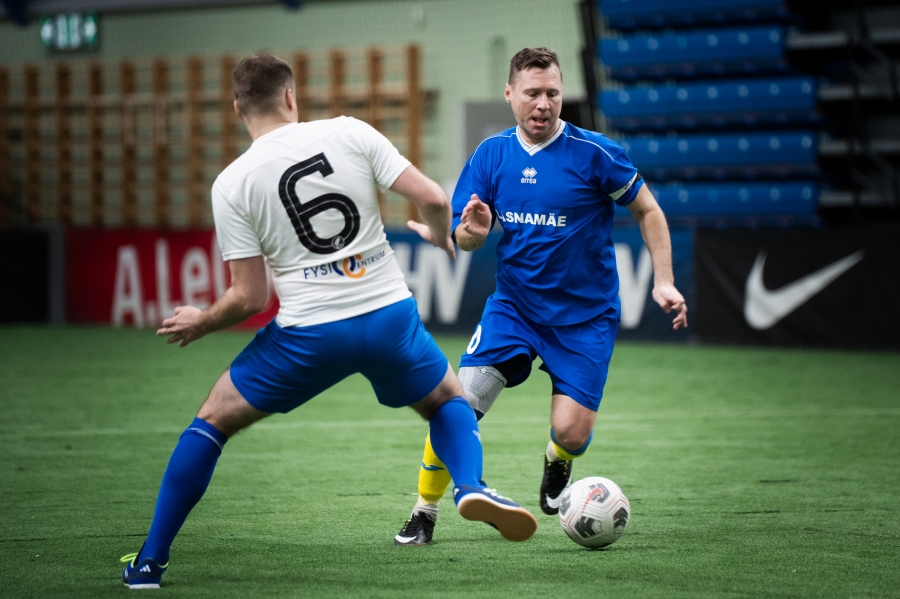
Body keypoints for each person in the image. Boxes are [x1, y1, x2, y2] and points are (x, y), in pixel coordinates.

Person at [120, 54, 537, 589]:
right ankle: (470, 485)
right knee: (446, 401)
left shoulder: (232, 182)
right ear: (291, 96)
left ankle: (150, 563)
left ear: (237, 109)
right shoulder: (348, 132)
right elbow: (434, 197)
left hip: (310, 334)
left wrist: (201, 322)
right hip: (388, 317)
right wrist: (440, 234)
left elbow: (250, 297)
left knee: (212, 421)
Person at [394, 47, 688, 546]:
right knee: (459, 404)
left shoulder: (596, 153)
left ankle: (558, 461)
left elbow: (649, 210)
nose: (543, 104)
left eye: (552, 93)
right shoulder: (491, 155)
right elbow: (466, 237)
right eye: (532, 93)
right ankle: (424, 512)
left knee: (572, 433)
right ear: (510, 94)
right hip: (513, 308)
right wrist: (471, 233)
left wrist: (663, 279)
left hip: (585, 318)